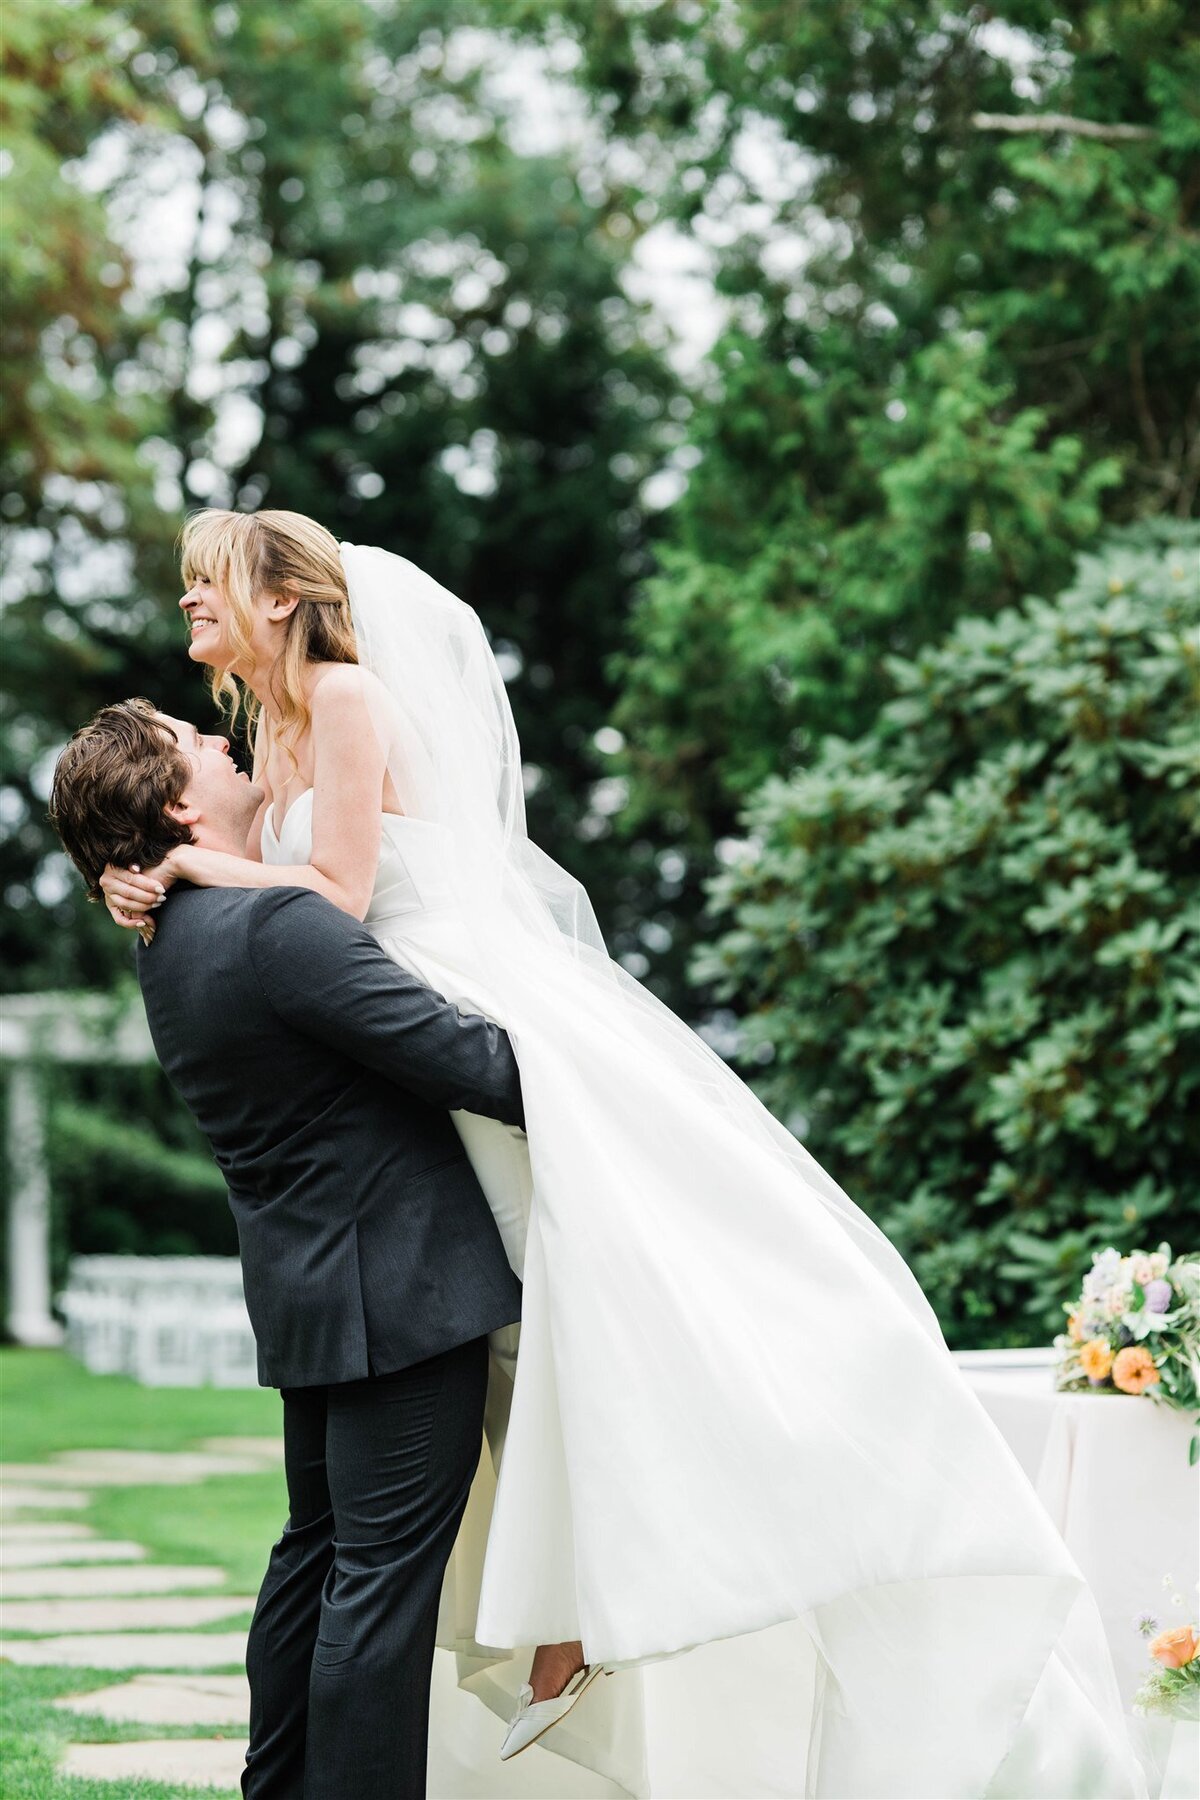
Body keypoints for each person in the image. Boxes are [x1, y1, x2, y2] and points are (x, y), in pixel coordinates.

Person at [87, 509, 1148, 1799]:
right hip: (393, 1062)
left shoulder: (348, 694)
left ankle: (595, 1601)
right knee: (539, 1337)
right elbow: (253, 894)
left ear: (283, 597)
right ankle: (581, 1603)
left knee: (609, 1295)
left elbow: (347, 899)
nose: (191, 606)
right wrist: (140, 869)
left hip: (448, 1015)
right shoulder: (266, 737)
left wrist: (193, 861)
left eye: (210, 586)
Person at [49, 700, 528, 1800]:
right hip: (404, 1294)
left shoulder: (170, 940)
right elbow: (473, 1066)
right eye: (200, 743)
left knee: (315, 1560)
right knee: (379, 1589)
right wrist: (571, 1038)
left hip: (314, 1293)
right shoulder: (276, 928)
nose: (228, 743)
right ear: (178, 803)